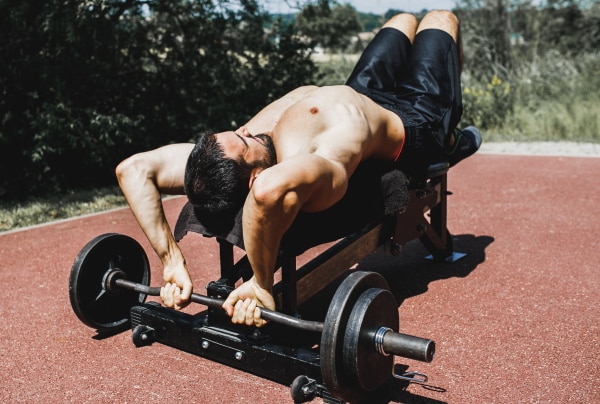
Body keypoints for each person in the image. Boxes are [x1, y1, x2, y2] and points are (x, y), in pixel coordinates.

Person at [116, 10, 481, 328]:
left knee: (402, 20)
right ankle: (450, 139)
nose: (246, 132)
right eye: (246, 143)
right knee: (441, 19)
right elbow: (267, 194)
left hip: (360, 92)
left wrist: (171, 261)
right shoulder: (308, 166)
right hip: (414, 124)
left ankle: (445, 126)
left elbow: (133, 169)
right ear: (256, 174)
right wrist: (261, 282)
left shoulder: (223, 159)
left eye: (235, 133)